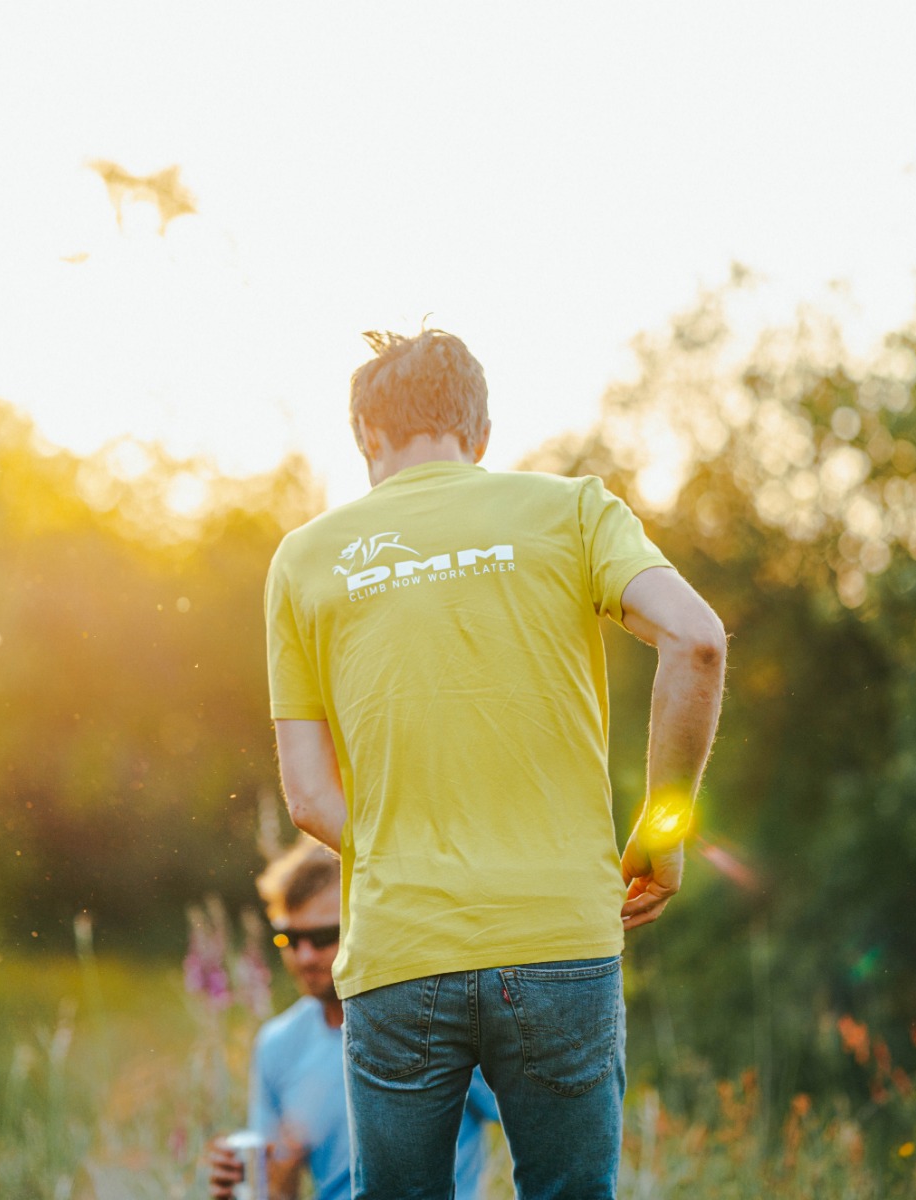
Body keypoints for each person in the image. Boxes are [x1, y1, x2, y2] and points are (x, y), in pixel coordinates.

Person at [263, 328, 728, 1198]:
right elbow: (697, 640)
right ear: (479, 431)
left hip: (400, 950)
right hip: (563, 939)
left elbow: (308, 797)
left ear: (367, 434)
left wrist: (409, 854)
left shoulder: (305, 558)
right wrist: (663, 830)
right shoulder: (574, 510)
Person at [206, 839, 499, 1200]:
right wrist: (244, 1188)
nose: (304, 956)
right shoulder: (278, 1044)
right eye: (290, 938)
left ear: (368, 926)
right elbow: (277, 1191)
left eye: (323, 937)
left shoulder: (438, 1022)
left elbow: (535, 1125)